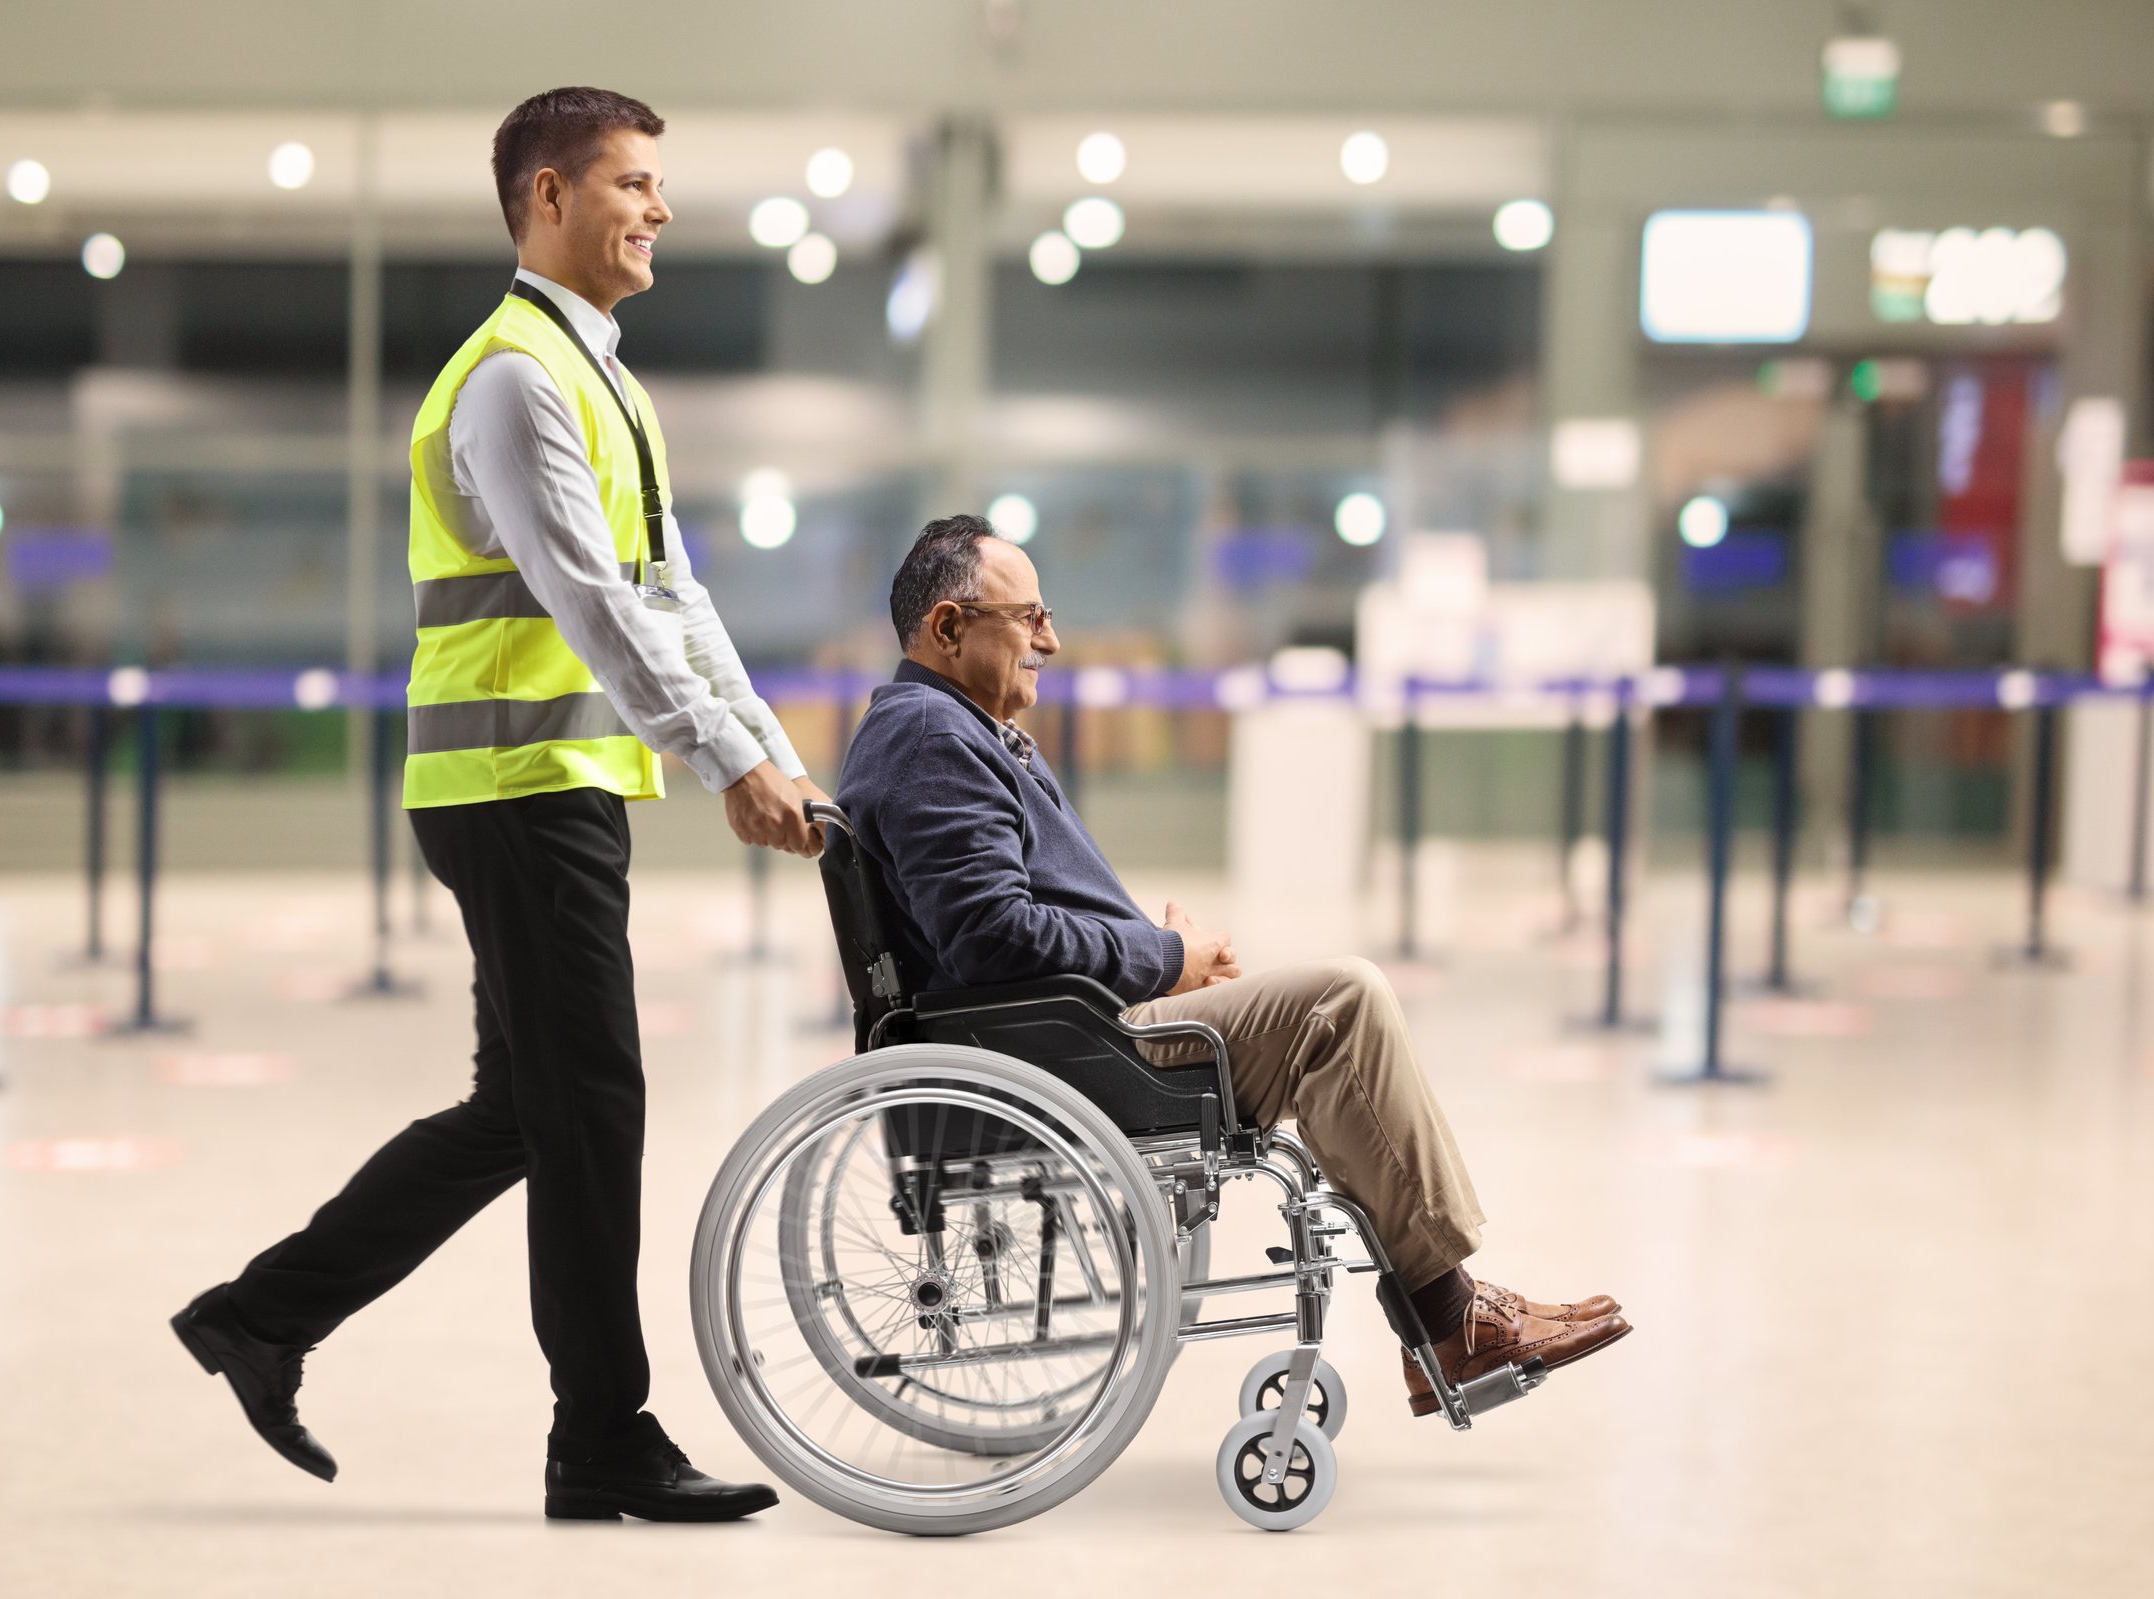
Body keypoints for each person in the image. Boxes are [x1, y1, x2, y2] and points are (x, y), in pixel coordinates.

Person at [172, 87, 816, 1522]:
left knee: (528, 1108)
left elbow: (673, 593)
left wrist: (765, 740)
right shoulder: (517, 376)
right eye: (631, 184)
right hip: (517, 784)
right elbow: (591, 602)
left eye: (659, 186)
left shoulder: (602, 376)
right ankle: (602, 1433)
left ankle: (261, 1315)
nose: (656, 210)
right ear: (547, 196)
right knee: (593, 1101)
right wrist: (724, 762)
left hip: (547, 782)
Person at [834, 515, 1631, 1413]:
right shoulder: (932, 739)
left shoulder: (940, 729)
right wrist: (1162, 957)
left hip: (1068, 1027)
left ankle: (1447, 1314)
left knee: (1329, 1011)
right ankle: (1450, 1317)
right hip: (1059, 1049)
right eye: (1028, 619)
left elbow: (1000, 920)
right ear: (947, 627)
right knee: (1342, 1002)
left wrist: (1149, 947)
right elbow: (991, 936)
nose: (1050, 640)